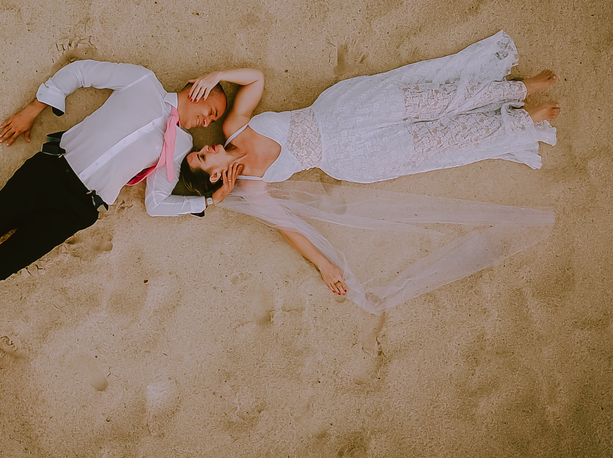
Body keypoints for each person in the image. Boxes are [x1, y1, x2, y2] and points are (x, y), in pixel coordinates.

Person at [178, 31, 559, 312]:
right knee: (438, 139)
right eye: (203, 158)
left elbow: (255, 78)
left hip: (343, 111)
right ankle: (524, 119)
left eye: (198, 151)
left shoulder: (235, 127)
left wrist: (216, 75)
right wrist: (325, 266)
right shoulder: (253, 185)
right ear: (215, 177)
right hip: (352, 155)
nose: (206, 147)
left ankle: (519, 90)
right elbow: (289, 228)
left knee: (432, 100)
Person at [0, 58, 227, 333]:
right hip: (50, 170)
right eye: (212, 110)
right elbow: (81, 71)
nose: (208, 121)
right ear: (198, 87)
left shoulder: (181, 145)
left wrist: (208, 200)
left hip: (80, 208)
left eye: (214, 120)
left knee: (1, 265)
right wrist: (33, 109)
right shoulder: (142, 81)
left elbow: (157, 202)